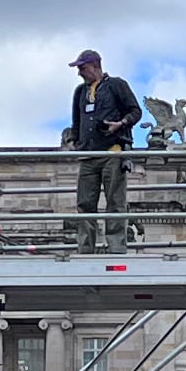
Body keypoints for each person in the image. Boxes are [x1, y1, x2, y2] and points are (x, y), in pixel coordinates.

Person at [63, 49, 141, 239]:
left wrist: (120, 124)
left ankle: (115, 247)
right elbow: (76, 121)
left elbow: (135, 111)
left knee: (115, 202)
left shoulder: (117, 85)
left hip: (112, 153)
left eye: (82, 68)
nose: (79, 72)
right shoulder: (80, 92)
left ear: (95, 66)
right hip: (87, 156)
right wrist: (74, 140)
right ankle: (85, 247)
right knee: (85, 204)